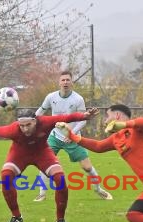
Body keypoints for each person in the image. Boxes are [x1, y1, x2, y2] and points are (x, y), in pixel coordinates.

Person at [0, 107, 99, 222]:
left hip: (42, 153)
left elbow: (66, 117)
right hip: (19, 154)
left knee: (60, 180)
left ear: (35, 120)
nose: (25, 129)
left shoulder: (45, 122)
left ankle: (60, 220)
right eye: (22, 126)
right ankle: (16, 217)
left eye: (28, 125)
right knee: (6, 177)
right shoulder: (13, 130)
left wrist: (84, 116)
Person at [34, 70, 112, 202]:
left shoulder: (78, 99)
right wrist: (33, 122)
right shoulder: (51, 97)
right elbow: (40, 112)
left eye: (67, 80)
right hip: (54, 136)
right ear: (59, 82)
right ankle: (42, 194)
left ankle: (98, 189)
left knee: (87, 167)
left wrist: (72, 134)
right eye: (63, 80)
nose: (65, 82)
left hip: (73, 138)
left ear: (72, 83)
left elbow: (82, 119)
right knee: (44, 164)